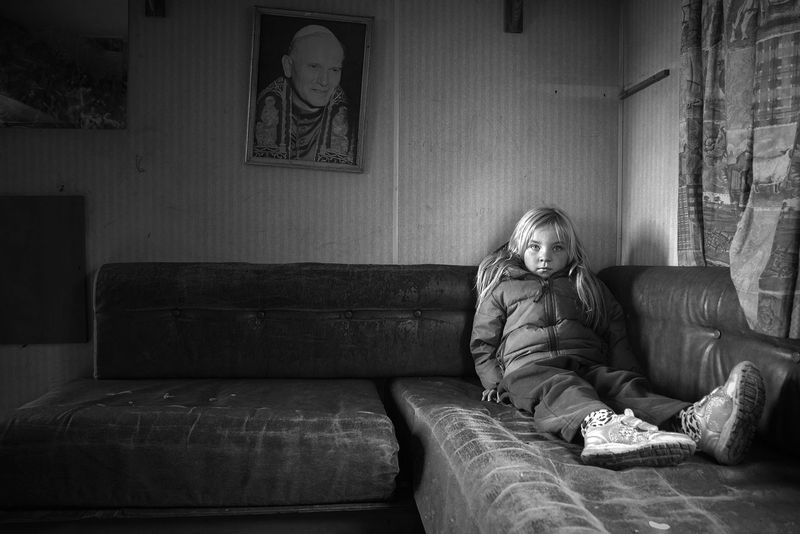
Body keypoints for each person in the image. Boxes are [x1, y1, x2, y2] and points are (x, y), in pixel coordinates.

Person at [470, 206, 765, 469]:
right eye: (535, 246)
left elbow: (614, 328)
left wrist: (628, 372)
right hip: (529, 371)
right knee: (564, 386)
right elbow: (482, 344)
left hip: (585, 363)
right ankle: (602, 428)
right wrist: (495, 382)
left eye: (557, 247)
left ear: (570, 252)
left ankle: (696, 423)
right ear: (519, 247)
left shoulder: (584, 284)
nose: (545, 256)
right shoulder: (503, 288)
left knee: (619, 386)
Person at [253, 24, 355, 164]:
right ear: (288, 66)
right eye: (314, 66)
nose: (324, 81)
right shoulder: (258, 109)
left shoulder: (351, 118)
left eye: (334, 70)